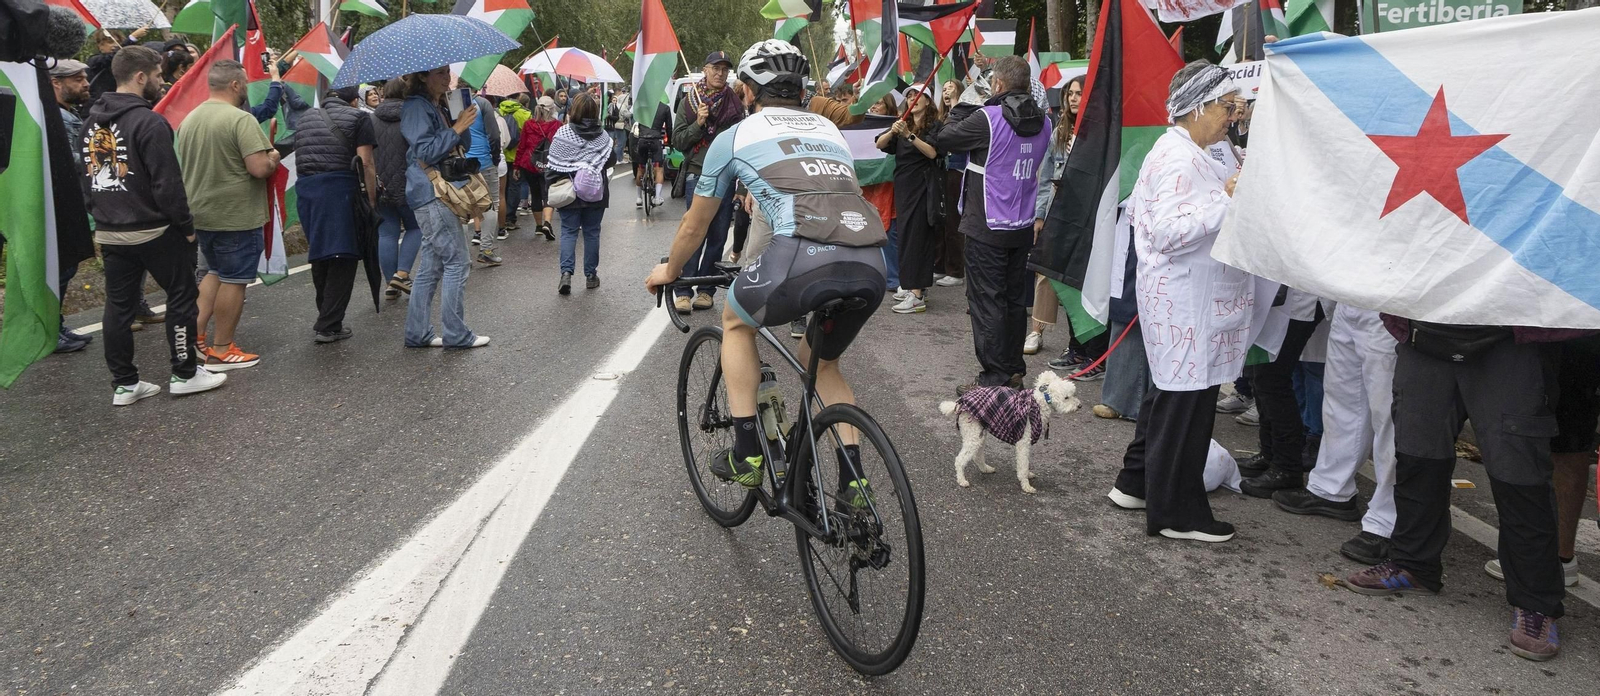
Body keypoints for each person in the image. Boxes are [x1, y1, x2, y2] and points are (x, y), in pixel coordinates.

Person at [645, 40, 888, 496]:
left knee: (736, 322)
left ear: (747, 90)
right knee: (822, 362)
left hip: (800, 255)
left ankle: (747, 454)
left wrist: (670, 271)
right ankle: (855, 487)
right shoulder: (828, 130)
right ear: (800, 89)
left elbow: (695, 226)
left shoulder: (735, 135)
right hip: (870, 259)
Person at [1342, 320, 1585, 662]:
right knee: (1417, 457)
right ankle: (1413, 565)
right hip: (1426, 331)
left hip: (1509, 336)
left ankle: (1536, 603)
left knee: (1519, 476)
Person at [1105, 61, 1249, 543]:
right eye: (1227, 106)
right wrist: (1227, 200)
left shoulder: (1195, 150)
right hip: (1185, 303)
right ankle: (1177, 513)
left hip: (1187, 301)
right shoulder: (1177, 157)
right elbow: (1167, 232)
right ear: (1197, 107)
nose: (1233, 114)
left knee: (1170, 396)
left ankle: (1137, 483)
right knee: (1184, 406)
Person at [80, 45, 226, 404]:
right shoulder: (149, 121)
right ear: (141, 77)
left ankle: (125, 384)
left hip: (110, 228)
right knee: (181, 298)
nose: (163, 82)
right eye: (159, 76)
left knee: (118, 307)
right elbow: (167, 183)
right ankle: (185, 372)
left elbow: (85, 177)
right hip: (155, 228)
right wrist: (186, 226)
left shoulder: (90, 121)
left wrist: (98, 212)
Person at [930, 56, 1049, 391]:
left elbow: (944, 139)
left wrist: (965, 103)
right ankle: (1012, 370)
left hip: (987, 223)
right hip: (1021, 224)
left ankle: (994, 377)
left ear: (996, 84)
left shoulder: (988, 119)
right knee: (1012, 301)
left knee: (986, 301)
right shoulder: (1045, 121)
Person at [1269, 304, 1399, 563]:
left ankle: (1388, 519)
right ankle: (1331, 488)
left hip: (1393, 301)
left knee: (1390, 415)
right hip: (1350, 297)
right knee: (1341, 399)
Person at [175, 59, 278, 372]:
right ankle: (222, 349)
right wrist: (272, 155)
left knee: (213, 273)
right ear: (235, 85)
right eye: (244, 83)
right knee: (235, 279)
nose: (246, 88)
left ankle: (195, 335)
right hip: (235, 214)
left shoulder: (189, 119)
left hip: (201, 212)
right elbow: (259, 167)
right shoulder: (240, 119)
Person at [401, 66, 489, 349]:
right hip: (432, 192)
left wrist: (460, 118)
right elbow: (425, 151)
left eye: (448, 71)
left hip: (436, 192)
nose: (447, 77)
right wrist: (457, 126)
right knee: (458, 262)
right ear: (422, 76)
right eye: (439, 73)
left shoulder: (436, 104)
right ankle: (456, 334)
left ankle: (417, 332)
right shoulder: (416, 106)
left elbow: (462, 143)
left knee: (431, 265)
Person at [289, 85, 377, 343]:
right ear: (353, 100)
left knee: (321, 253)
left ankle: (326, 314)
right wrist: (371, 201)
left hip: (307, 190)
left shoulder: (304, 118)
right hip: (339, 188)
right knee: (344, 254)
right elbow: (366, 163)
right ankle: (329, 323)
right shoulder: (359, 117)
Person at [669, 50, 746, 314]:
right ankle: (683, 289)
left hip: (725, 176)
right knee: (694, 232)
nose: (720, 73)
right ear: (705, 69)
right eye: (716, 68)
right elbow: (678, 141)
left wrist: (741, 187)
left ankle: (706, 289)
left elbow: (742, 146)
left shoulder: (736, 105)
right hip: (698, 174)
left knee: (718, 234)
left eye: (725, 69)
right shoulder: (689, 103)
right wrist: (698, 124)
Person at [1026, 75, 1084, 360]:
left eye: (1080, 93)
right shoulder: (1059, 131)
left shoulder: (1097, 133)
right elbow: (1046, 177)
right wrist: (1039, 216)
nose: (1073, 98)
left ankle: (1081, 342)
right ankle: (1036, 330)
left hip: (1084, 214)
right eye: (1071, 93)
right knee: (1045, 270)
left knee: (1078, 277)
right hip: (1055, 209)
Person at [876, 84, 943, 315]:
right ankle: (911, 285)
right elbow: (880, 144)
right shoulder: (903, 123)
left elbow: (933, 152)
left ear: (927, 100)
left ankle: (917, 293)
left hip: (922, 187)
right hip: (904, 188)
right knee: (905, 236)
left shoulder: (933, 125)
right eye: (910, 96)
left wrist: (909, 135)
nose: (913, 98)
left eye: (917, 95)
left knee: (918, 237)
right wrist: (893, 131)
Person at [47, 58, 97, 353]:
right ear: (56, 83)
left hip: (69, 201)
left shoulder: (66, 114)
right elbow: (72, 159)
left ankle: (55, 326)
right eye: (78, 79)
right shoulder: (58, 118)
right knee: (62, 268)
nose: (86, 84)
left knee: (66, 267)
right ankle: (50, 331)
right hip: (62, 203)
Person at [546, 92, 615, 294]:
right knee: (592, 233)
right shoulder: (603, 137)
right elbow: (610, 161)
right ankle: (591, 275)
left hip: (569, 194)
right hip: (595, 192)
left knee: (568, 231)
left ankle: (566, 274)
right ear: (595, 112)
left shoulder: (563, 134)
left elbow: (553, 165)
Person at [372, 80, 423, 300]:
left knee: (386, 233)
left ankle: (389, 284)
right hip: (408, 182)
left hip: (380, 183)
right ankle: (402, 274)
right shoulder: (411, 116)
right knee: (415, 227)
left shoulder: (371, 118)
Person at [462, 86, 504, 263]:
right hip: (484, 161)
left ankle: (463, 256)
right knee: (490, 204)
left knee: (462, 209)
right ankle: (486, 249)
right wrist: (495, 158)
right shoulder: (482, 103)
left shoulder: (450, 105)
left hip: (460, 162)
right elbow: (494, 135)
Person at [932, 79, 966, 288]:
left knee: (953, 220)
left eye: (951, 89)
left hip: (956, 169)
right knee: (940, 220)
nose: (946, 92)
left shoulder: (963, 115)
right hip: (940, 170)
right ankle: (940, 265)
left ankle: (956, 270)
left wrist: (956, 103)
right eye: (943, 89)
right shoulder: (939, 117)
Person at [516, 96, 562, 241]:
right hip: (550, 163)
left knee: (535, 194)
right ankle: (547, 222)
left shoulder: (528, 124)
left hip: (529, 163)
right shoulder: (557, 125)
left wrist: (516, 165)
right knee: (547, 194)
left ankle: (538, 226)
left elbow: (522, 145)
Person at [499, 94, 532, 228]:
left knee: (502, 189)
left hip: (501, 154)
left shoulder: (498, 111)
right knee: (515, 186)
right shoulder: (524, 114)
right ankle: (510, 218)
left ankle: (500, 216)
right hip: (517, 156)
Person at [632, 99, 670, 207]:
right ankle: (657, 197)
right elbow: (669, 127)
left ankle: (639, 198)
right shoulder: (664, 108)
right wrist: (670, 143)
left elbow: (636, 125)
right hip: (655, 141)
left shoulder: (641, 107)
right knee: (658, 169)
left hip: (642, 140)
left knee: (640, 169)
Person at [606, 85, 631, 164]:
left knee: (615, 142)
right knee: (621, 142)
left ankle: (619, 158)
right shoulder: (622, 106)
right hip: (620, 125)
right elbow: (628, 115)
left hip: (614, 125)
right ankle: (617, 159)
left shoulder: (612, 105)